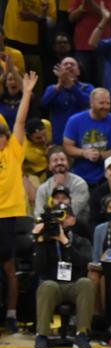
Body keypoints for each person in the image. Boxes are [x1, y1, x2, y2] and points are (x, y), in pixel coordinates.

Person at [0, 71, 37, 334]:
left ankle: (12, 314)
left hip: (9, 215)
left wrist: (26, 93)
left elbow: (21, 121)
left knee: (9, 266)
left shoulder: (13, 150)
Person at [32, 202, 94, 348]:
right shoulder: (46, 243)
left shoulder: (80, 240)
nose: (60, 221)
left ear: (72, 220)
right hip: (54, 286)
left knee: (86, 283)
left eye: (64, 217)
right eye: (56, 218)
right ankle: (42, 335)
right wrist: (39, 242)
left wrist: (64, 241)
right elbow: (39, 269)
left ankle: (82, 334)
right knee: (47, 286)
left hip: (74, 285)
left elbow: (84, 262)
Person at [61, 88, 111, 185]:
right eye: (101, 103)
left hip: (105, 178)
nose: (105, 107)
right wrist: (84, 153)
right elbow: (67, 147)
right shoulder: (75, 121)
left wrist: (100, 155)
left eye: (107, 103)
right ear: (91, 103)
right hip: (79, 177)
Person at [39, 57, 92, 143]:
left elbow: (88, 102)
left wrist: (72, 87)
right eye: (65, 64)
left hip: (80, 137)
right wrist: (59, 85)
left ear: (78, 71)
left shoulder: (87, 88)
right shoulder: (52, 88)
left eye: (72, 64)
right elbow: (43, 104)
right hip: (58, 137)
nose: (69, 66)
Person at [33, 147, 89, 222]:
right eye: (55, 160)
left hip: (77, 226)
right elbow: (39, 214)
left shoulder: (79, 184)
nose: (59, 162)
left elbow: (73, 211)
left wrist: (60, 187)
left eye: (62, 160)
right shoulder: (43, 189)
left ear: (68, 164)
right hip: (51, 227)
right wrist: (56, 188)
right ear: (49, 166)